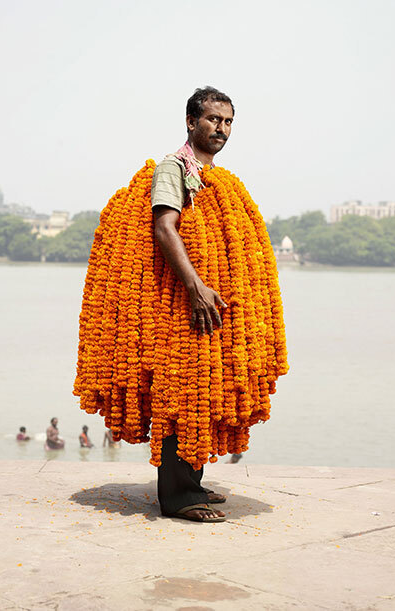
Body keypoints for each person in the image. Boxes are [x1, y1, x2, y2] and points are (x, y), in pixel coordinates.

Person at [148, 86, 247, 522]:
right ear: (192, 122)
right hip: (184, 302)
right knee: (182, 390)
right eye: (213, 120)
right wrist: (194, 285)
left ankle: (192, 481)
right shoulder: (174, 168)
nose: (221, 129)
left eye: (227, 122)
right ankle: (178, 497)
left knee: (203, 390)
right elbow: (165, 227)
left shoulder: (211, 174)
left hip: (208, 302)